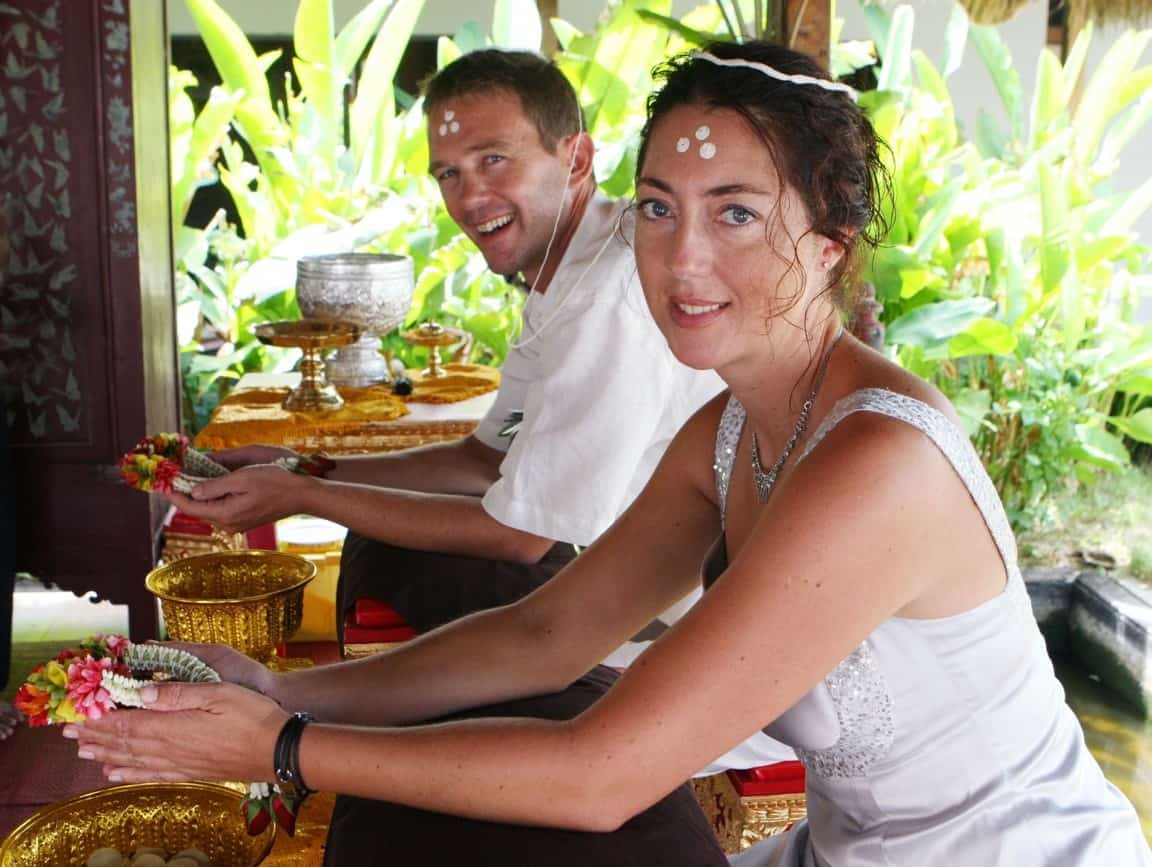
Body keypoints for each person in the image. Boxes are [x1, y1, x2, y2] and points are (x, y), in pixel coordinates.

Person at [69, 41, 1152, 865]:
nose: (682, 258)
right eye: (659, 209)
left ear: (829, 242)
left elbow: (603, 775)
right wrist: (284, 688)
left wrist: (283, 746)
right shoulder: (729, 428)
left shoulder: (877, 461)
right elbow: (547, 628)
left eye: (736, 213)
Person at [166, 49, 727, 670]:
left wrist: (303, 495)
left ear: (578, 159)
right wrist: (308, 467)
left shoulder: (608, 294)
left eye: (493, 160)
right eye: (449, 175)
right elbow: (482, 459)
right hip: (599, 562)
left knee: (418, 560)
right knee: (388, 544)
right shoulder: (570, 267)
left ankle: (337, 732)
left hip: (673, 617)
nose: (469, 197)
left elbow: (520, 537)